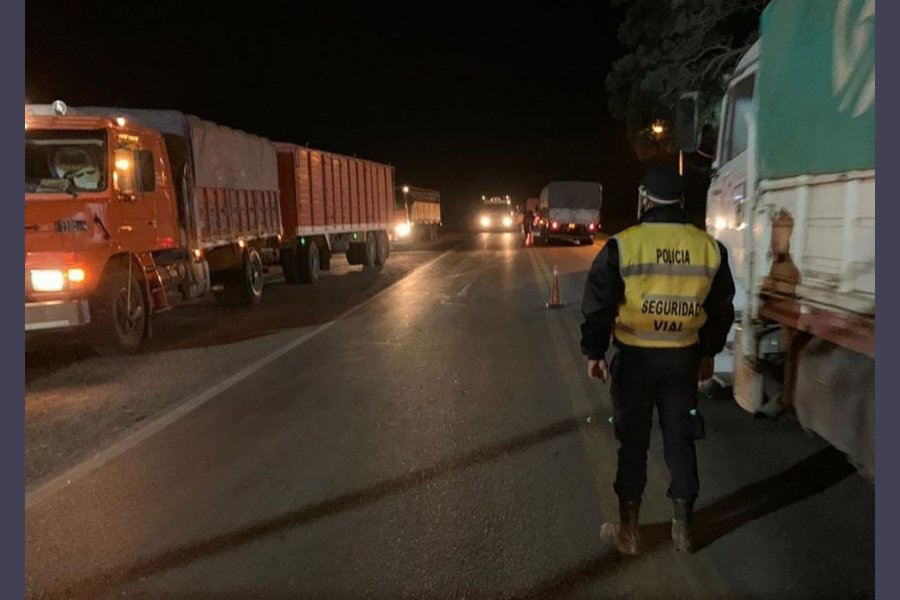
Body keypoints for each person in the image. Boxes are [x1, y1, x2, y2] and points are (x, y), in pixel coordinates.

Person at [580, 166, 735, 555]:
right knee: (680, 442)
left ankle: (630, 533)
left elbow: (598, 307)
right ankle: (683, 530)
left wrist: (595, 353)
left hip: (635, 361)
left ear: (644, 200)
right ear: (682, 203)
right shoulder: (710, 248)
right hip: (682, 360)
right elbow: (721, 311)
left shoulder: (622, 246)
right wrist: (708, 353)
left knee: (632, 445)